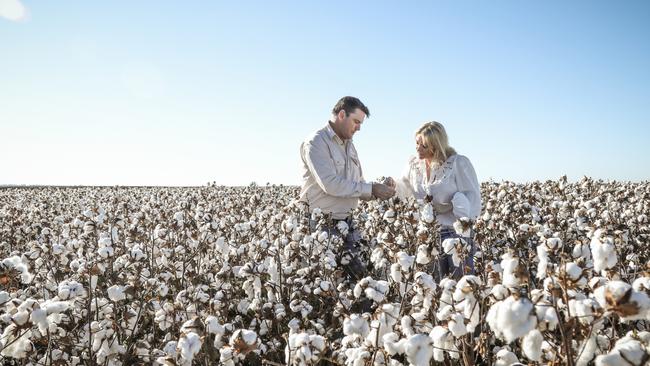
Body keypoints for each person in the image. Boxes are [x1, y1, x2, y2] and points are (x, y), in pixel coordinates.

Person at [299, 96, 395, 281]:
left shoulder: (350, 146)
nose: (359, 127)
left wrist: (381, 189)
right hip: (322, 225)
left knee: (361, 280)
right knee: (328, 283)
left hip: (347, 222)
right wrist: (371, 188)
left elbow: (358, 183)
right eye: (356, 121)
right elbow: (330, 184)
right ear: (342, 114)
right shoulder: (316, 142)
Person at [390, 121, 481, 278]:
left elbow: (473, 198)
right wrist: (391, 186)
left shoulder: (458, 163)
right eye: (417, 143)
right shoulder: (413, 165)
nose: (418, 148)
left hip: (455, 233)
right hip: (428, 234)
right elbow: (404, 187)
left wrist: (463, 222)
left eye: (424, 145)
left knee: (460, 286)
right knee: (431, 285)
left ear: (437, 145)